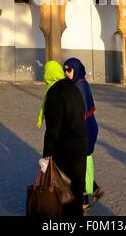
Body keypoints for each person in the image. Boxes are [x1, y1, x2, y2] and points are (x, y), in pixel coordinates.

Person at [37, 60, 88, 218]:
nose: (44, 79)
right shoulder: (73, 87)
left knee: (63, 184)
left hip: (65, 146)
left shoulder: (54, 93)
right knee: (77, 184)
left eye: (45, 75)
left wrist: (47, 152)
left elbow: (53, 128)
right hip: (80, 142)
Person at [63, 57, 104, 211]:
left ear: (76, 69)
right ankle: (92, 190)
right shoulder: (81, 83)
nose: (66, 73)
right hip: (88, 126)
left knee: (80, 164)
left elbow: (80, 113)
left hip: (85, 128)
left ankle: (84, 200)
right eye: (64, 70)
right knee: (83, 162)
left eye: (69, 70)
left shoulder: (79, 87)